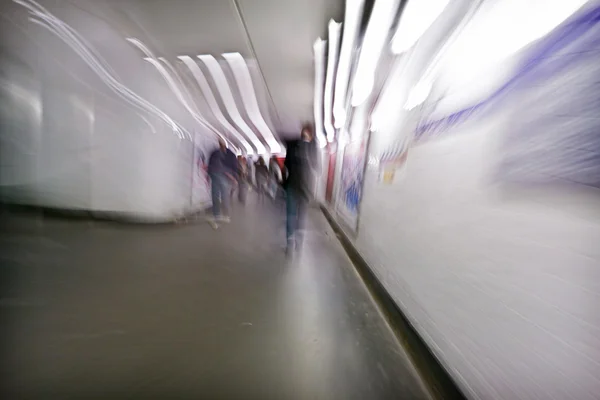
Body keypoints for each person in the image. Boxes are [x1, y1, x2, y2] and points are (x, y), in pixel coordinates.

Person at [283, 124, 318, 255]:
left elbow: (287, 165)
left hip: (299, 188)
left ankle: (294, 241)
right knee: (295, 216)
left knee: (295, 216)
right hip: (298, 188)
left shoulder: (305, 148)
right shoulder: (305, 148)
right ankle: (293, 241)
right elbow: (316, 168)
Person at [207, 138, 237, 228]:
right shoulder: (226, 154)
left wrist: (209, 174)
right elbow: (232, 167)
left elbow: (211, 165)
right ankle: (223, 215)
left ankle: (219, 215)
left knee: (217, 196)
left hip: (218, 175)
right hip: (220, 175)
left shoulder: (217, 153)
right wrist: (233, 177)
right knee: (223, 195)